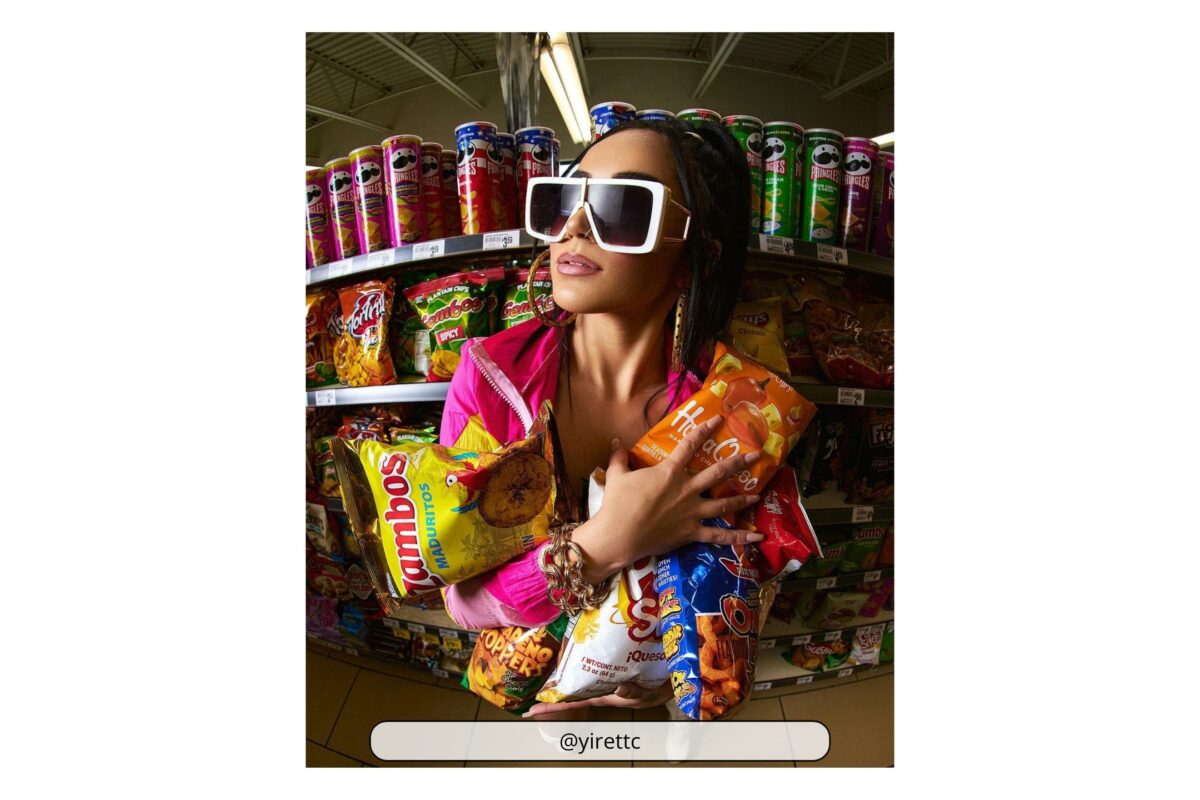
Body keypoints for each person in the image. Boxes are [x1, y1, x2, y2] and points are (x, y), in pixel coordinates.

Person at [439, 119, 757, 718]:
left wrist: (672, 665)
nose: (576, 227)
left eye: (625, 208)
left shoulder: (729, 405)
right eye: (565, 199)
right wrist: (608, 541)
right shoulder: (489, 376)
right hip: (531, 687)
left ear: (692, 258)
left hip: (654, 688)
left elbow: (736, 573)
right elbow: (464, 600)